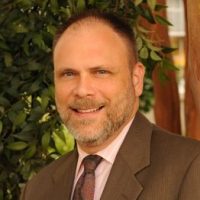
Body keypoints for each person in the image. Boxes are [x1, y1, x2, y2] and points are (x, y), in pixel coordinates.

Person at [20, 10, 200, 200]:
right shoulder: (37, 189)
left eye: (101, 72)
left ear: (136, 79)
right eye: (69, 74)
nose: (82, 90)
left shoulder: (191, 167)